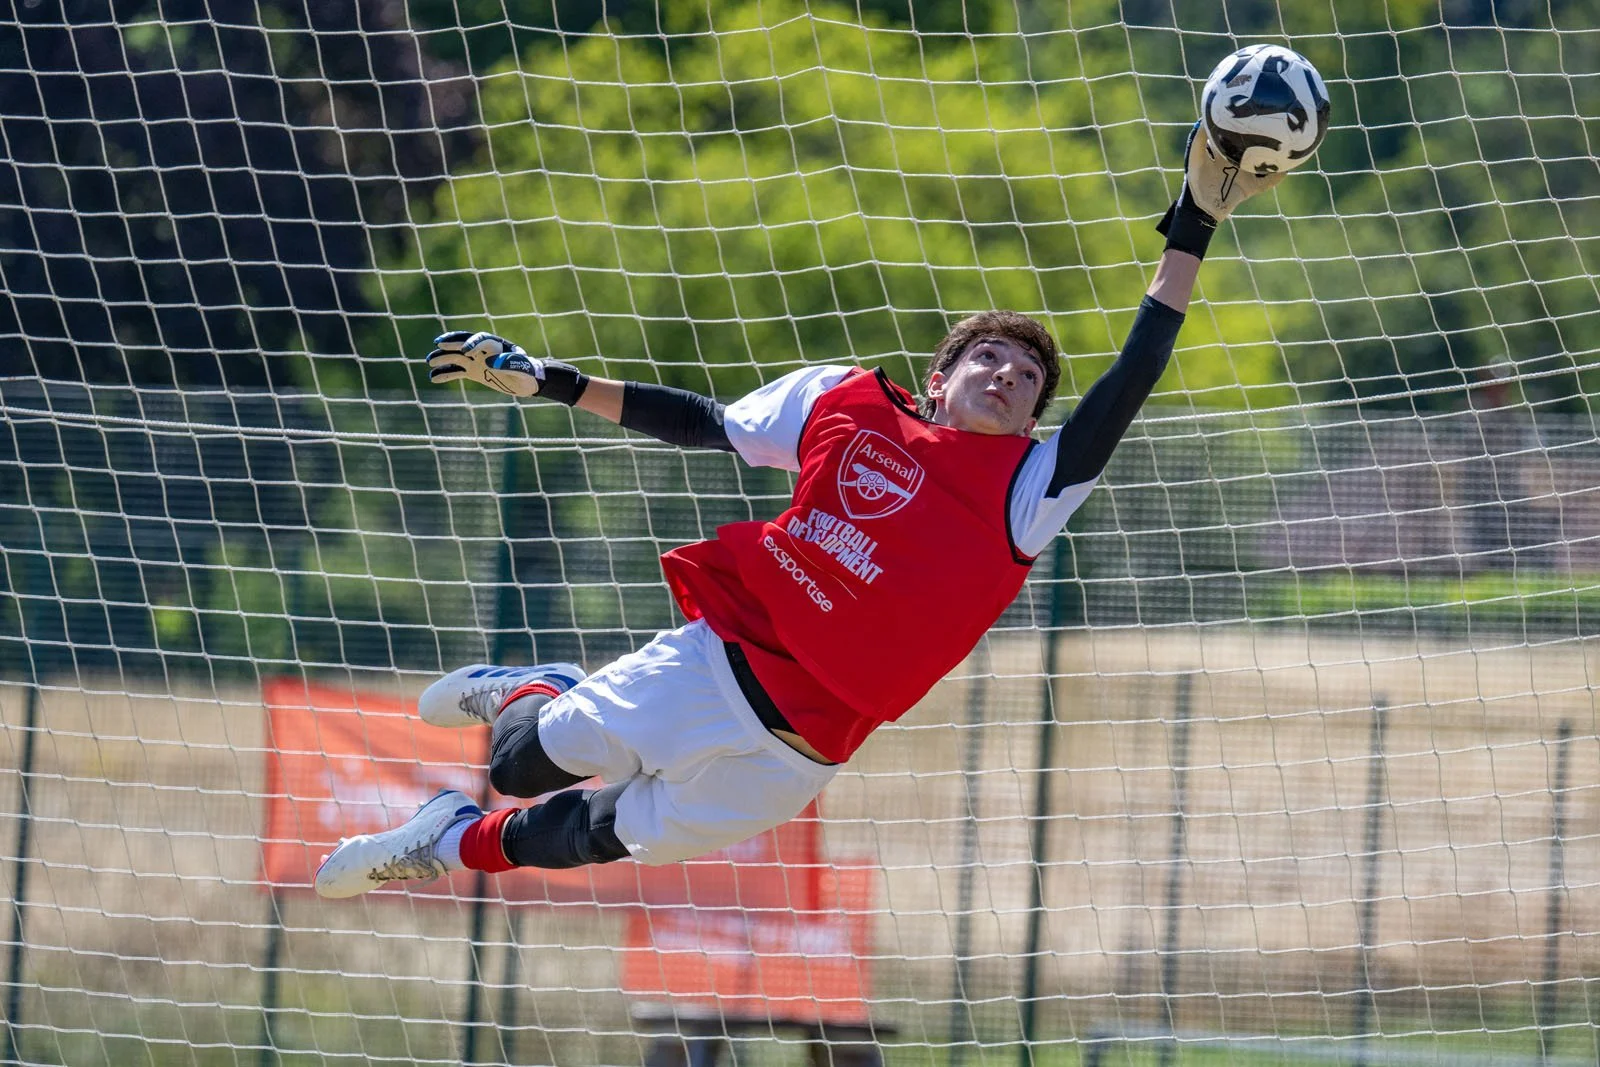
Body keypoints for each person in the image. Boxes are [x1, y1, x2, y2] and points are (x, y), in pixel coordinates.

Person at [314, 121, 1285, 898]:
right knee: (524, 762)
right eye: (990, 356)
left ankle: (443, 842)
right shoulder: (844, 401)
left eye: (1029, 375)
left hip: (805, 747)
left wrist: (1193, 219)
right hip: (721, 659)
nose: (1010, 374)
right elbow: (704, 422)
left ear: (1035, 413)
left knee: (602, 833)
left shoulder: (1029, 490)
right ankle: (531, 691)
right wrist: (552, 383)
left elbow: (1135, 372)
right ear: (939, 376)